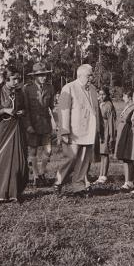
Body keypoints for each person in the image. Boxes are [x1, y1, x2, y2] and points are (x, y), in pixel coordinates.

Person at [54, 64, 102, 195]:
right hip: (73, 132)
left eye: (92, 75)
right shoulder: (69, 88)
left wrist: (97, 129)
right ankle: (58, 182)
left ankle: (78, 186)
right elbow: (63, 111)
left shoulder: (92, 89)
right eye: (89, 75)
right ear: (79, 75)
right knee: (71, 158)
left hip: (88, 131)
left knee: (84, 160)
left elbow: (95, 110)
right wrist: (64, 132)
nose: (91, 78)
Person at [0, 66, 29, 202]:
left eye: (18, 79)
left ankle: (15, 193)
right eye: (13, 79)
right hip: (5, 129)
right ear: (6, 79)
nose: (17, 81)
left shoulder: (19, 92)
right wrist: (5, 110)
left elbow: (24, 108)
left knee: (19, 160)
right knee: (3, 161)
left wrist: (22, 112)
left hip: (17, 128)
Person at [23, 62, 55, 186]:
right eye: (40, 75)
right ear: (34, 77)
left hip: (45, 124)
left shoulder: (50, 88)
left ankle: (42, 173)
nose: (43, 77)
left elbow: (52, 108)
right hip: (33, 124)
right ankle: (36, 176)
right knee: (33, 151)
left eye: (45, 75)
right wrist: (28, 125)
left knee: (48, 150)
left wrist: (55, 124)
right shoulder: (27, 88)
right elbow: (26, 110)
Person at [114, 90, 134, 190]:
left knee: (128, 158)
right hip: (122, 133)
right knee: (124, 158)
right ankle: (127, 180)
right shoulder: (127, 106)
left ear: (130, 97)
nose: (123, 98)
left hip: (128, 134)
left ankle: (130, 181)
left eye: (125, 96)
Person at [94, 86, 117, 184]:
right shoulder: (99, 104)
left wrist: (111, 136)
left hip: (106, 131)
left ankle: (104, 176)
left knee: (105, 153)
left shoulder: (108, 105)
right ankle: (101, 175)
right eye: (99, 94)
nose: (101, 96)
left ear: (107, 95)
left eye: (103, 94)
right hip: (99, 131)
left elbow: (111, 122)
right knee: (102, 153)